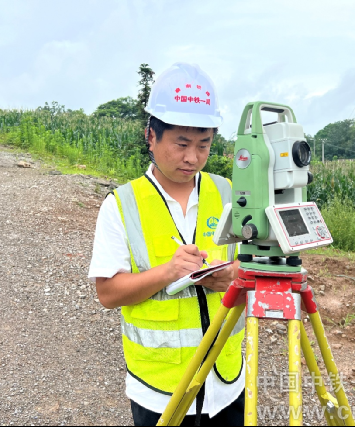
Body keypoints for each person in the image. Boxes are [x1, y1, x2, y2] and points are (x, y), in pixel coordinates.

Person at [88, 63, 245, 426]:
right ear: (151, 137)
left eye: (204, 145)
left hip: (226, 384)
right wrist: (169, 272)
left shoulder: (227, 192)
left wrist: (233, 275)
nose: (192, 157)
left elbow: (252, 263)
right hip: (160, 392)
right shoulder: (122, 205)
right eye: (181, 144)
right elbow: (108, 293)